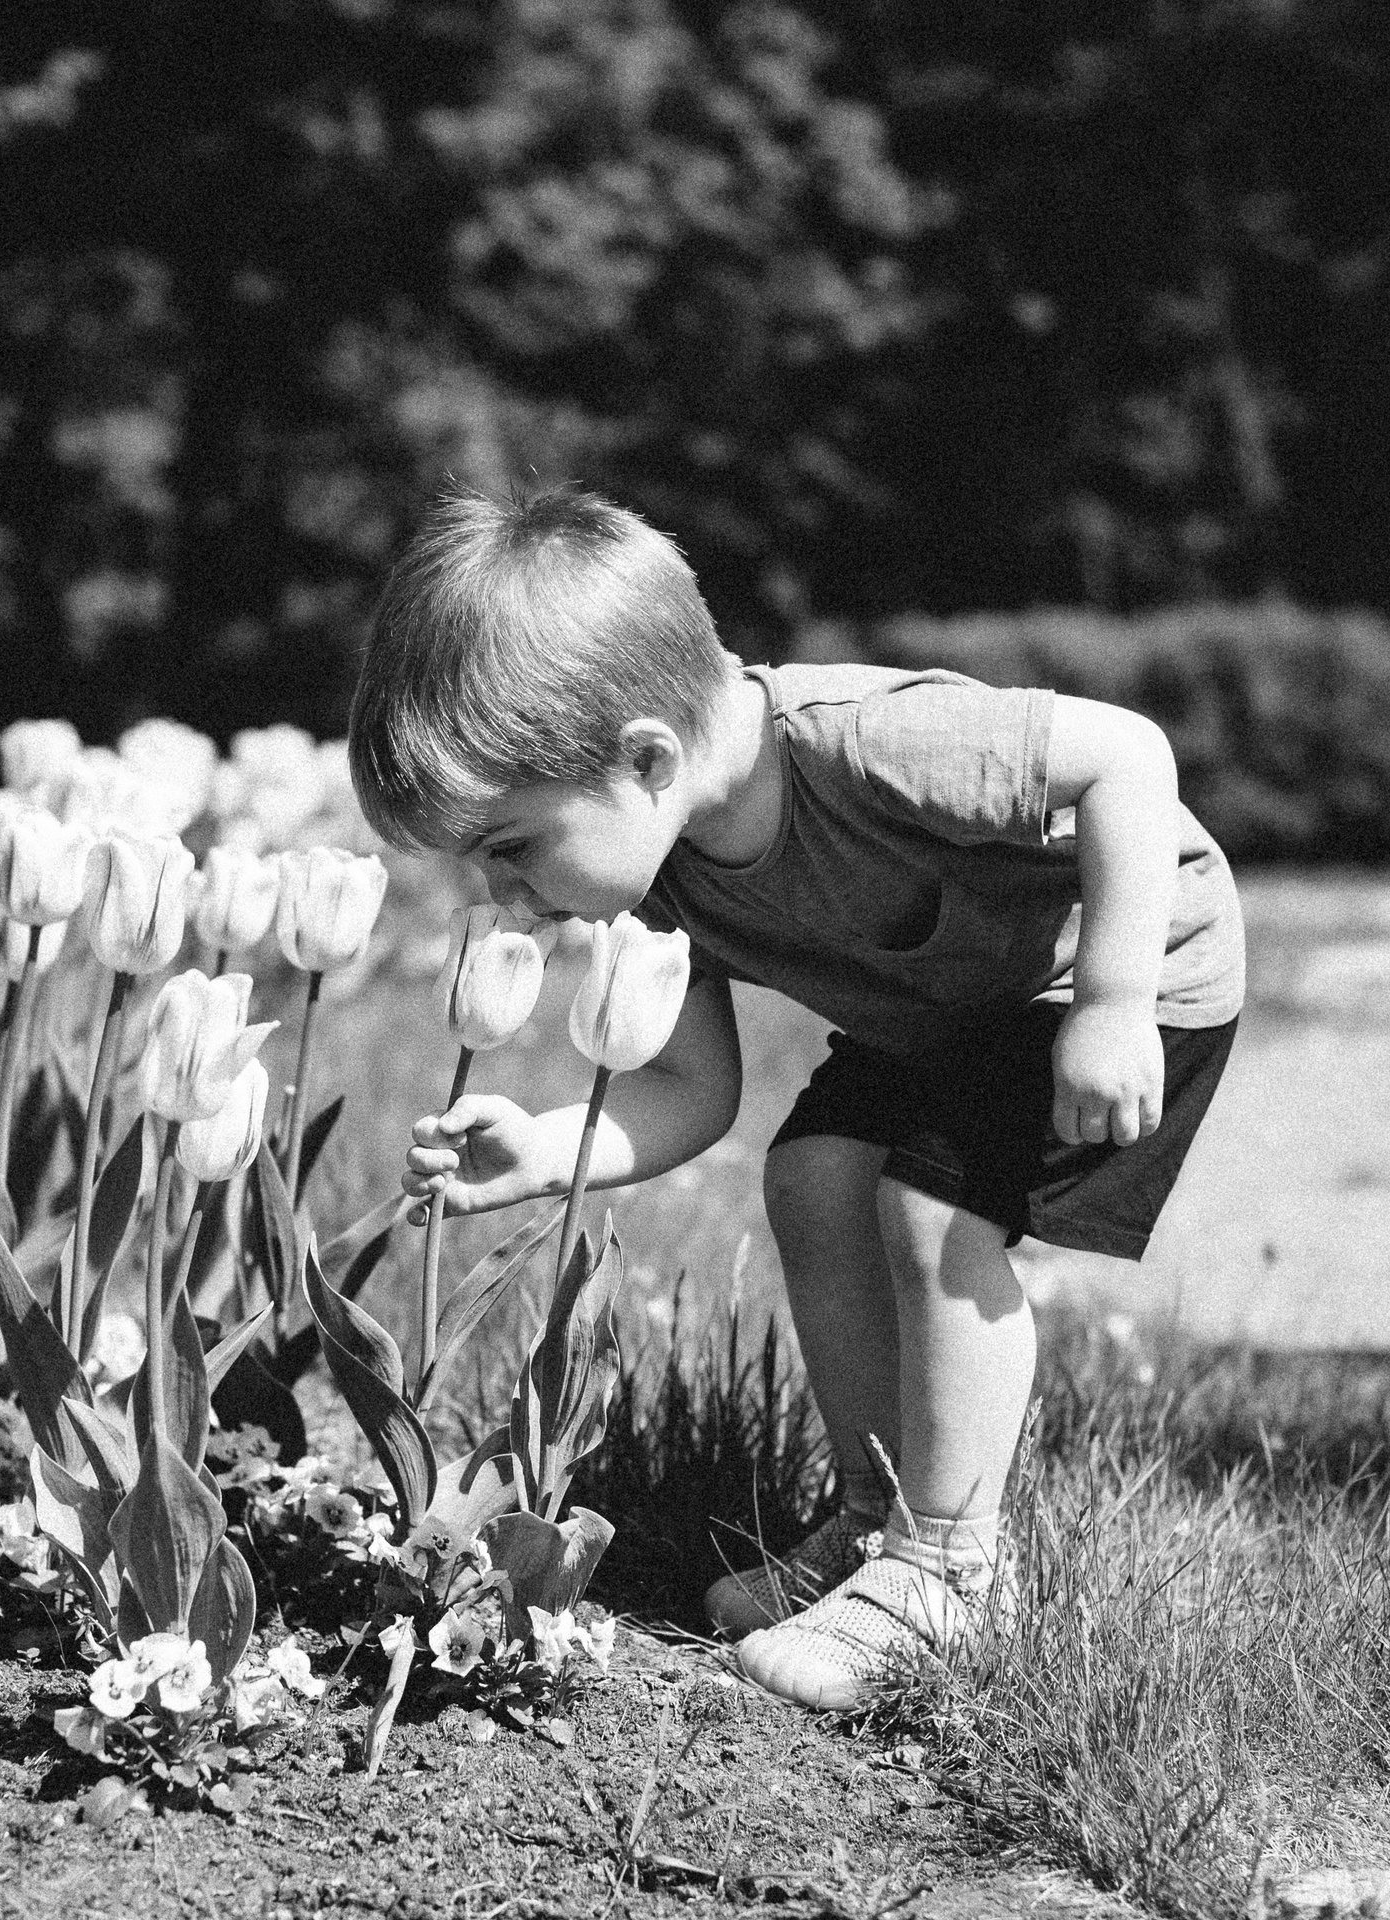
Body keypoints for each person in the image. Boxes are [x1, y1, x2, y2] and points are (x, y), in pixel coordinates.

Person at [347, 485, 1243, 1712]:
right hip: (955, 1010)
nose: (504, 897)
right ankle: (878, 1518)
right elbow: (689, 1090)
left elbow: (1127, 758)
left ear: (646, 758)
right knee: (813, 1174)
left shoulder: (869, 744)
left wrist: (1111, 1001)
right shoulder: (663, 865)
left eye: (510, 845)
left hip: (1126, 968)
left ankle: (951, 1572)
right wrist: (543, 1150)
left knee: (936, 1214)